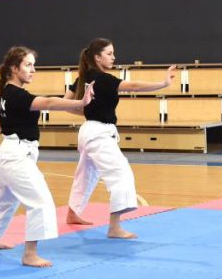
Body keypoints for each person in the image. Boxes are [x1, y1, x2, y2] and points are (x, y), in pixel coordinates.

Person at [0, 46, 93, 267]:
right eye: (28, 65)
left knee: (3, 200)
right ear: (15, 69)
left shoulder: (6, 94)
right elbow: (49, 102)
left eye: (34, 65)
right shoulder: (17, 95)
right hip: (16, 155)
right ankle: (30, 254)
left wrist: (10, 131)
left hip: (10, 151)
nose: (33, 70)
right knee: (40, 201)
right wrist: (80, 103)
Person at [65, 38, 175, 239]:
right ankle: (114, 227)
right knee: (121, 175)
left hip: (88, 131)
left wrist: (88, 112)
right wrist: (163, 83)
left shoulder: (84, 77)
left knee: (86, 174)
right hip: (99, 134)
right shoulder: (103, 79)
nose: (113, 57)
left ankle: (73, 213)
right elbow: (133, 86)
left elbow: (66, 103)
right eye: (109, 53)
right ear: (97, 57)